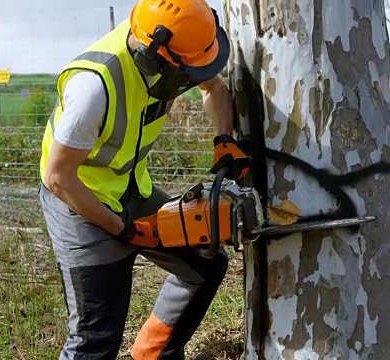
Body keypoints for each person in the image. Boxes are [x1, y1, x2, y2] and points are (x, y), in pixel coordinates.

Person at [38, 0, 250, 359]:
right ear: (155, 58)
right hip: (79, 201)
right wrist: (122, 229)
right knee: (96, 335)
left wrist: (224, 140)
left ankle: (152, 354)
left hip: (132, 189)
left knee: (204, 265)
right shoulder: (93, 88)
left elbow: (212, 87)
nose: (192, 76)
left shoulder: (176, 45)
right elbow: (58, 177)